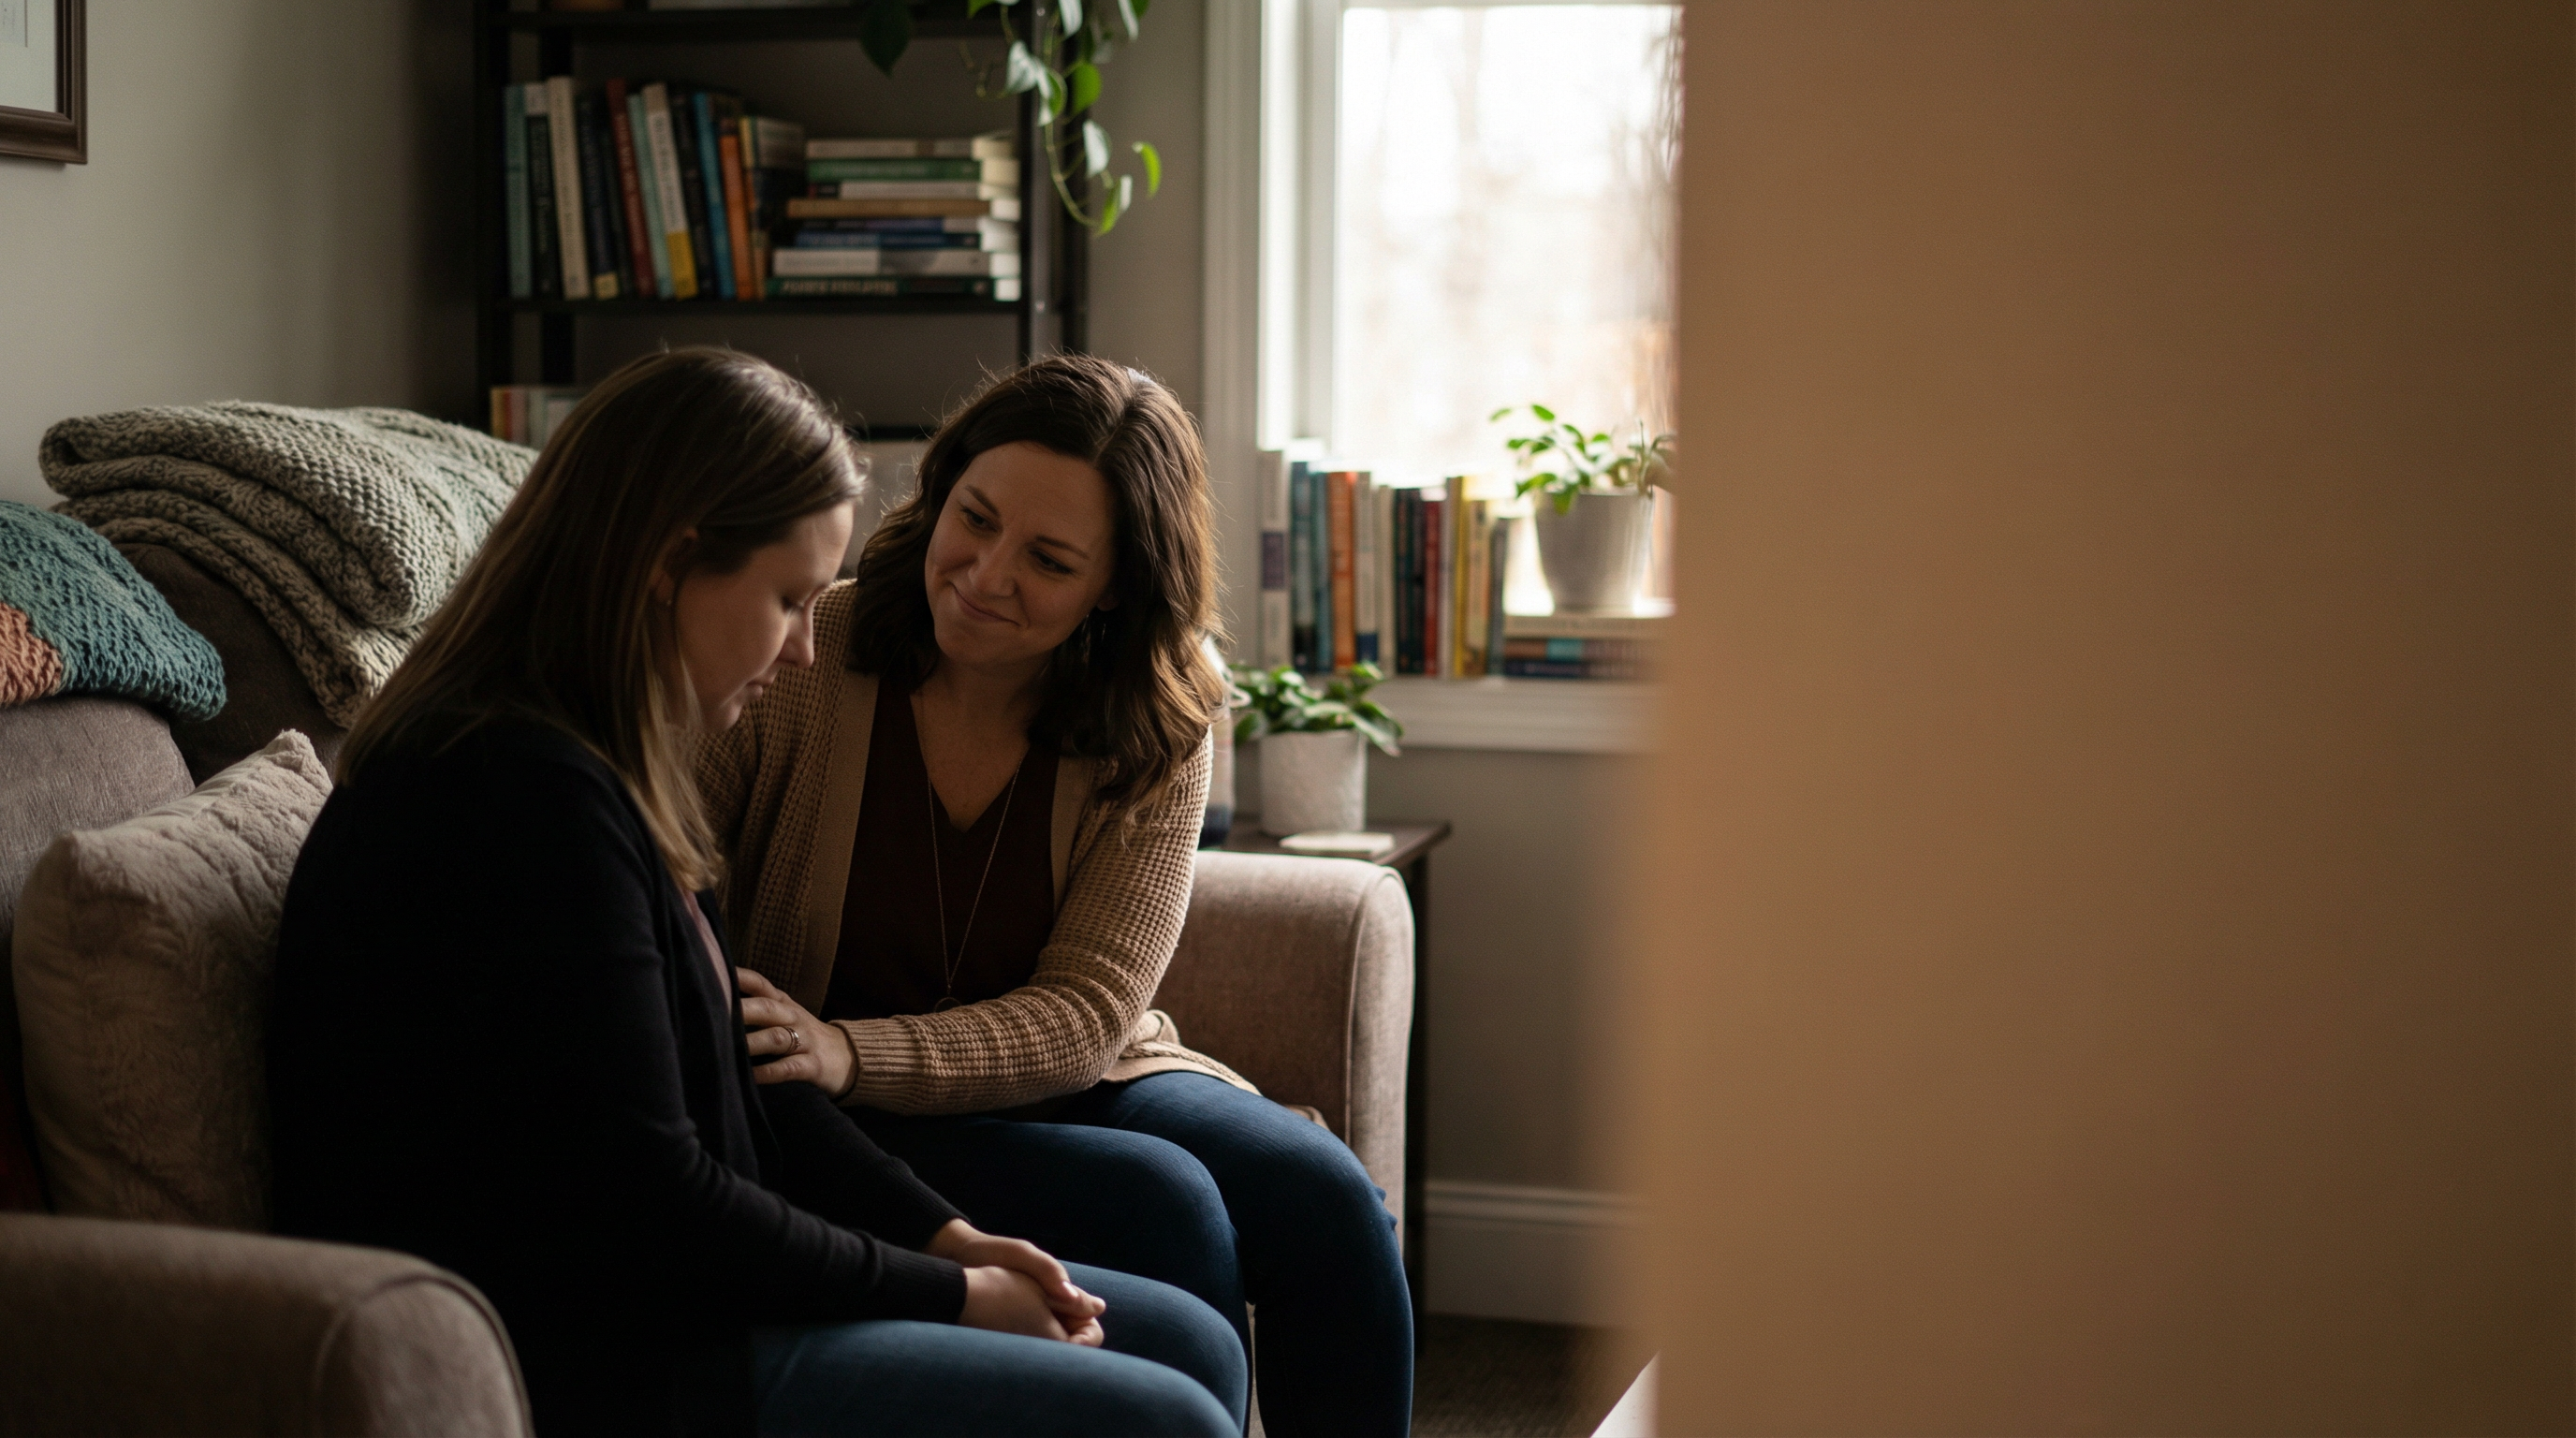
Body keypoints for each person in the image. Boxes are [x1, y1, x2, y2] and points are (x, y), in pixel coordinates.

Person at [267, 347, 1244, 1438]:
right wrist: (955, 1296)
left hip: (700, 1291)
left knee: (1193, 1339)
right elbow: (658, 1210)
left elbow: (745, 1067)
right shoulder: (511, 798)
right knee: (1170, 1416)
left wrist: (947, 1239)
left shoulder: (602, 765)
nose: (803, 650)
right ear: (671, 564)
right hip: (609, 1352)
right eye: (786, 601)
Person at [696, 355, 1414, 1437]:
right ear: (939, 494)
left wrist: (857, 1045)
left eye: (1048, 558)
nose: (985, 574)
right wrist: (829, 1062)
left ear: (1114, 587)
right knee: (1166, 1206)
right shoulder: (806, 649)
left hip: (1048, 1066)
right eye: (973, 519)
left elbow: (1089, 1013)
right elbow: (666, 870)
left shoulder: (1164, 714)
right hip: (821, 1100)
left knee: (1323, 1198)